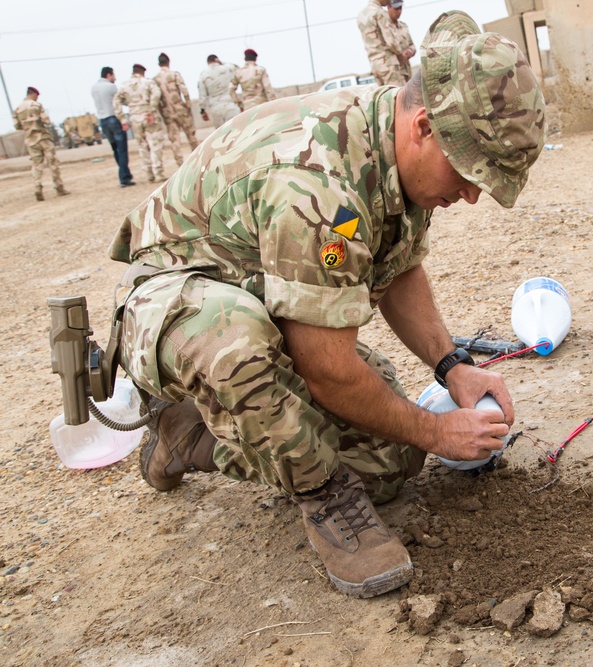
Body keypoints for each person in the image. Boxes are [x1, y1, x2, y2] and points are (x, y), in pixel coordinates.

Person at [109, 11, 545, 599]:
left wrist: (452, 367)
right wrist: (438, 432)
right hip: (178, 299)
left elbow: (403, 266)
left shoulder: (393, 150)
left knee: (391, 457)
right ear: (423, 127)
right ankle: (325, 503)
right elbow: (327, 369)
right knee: (241, 347)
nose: (470, 195)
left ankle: (189, 437)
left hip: (262, 295)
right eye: (469, 173)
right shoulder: (317, 182)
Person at [13, 86, 69, 201]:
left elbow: (17, 126)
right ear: (33, 94)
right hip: (43, 138)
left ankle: (37, 186)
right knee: (52, 162)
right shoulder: (36, 105)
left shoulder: (17, 109)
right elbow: (46, 121)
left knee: (37, 165)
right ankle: (59, 187)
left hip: (31, 140)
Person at [114, 64, 167, 182]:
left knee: (142, 146)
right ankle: (158, 173)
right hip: (149, 116)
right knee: (155, 145)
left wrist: (123, 119)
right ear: (143, 72)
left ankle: (149, 174)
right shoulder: (148, 82)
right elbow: (156, 94)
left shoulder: (124, 85)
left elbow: (116, 101)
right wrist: (151, 110)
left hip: (134, 118)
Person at [153, 53, 199, 165]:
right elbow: (184, 90)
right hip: (180, 110)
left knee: (175, 140)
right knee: (191, 136)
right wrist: (188, 105)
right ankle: (198, 160)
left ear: (159, 64)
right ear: (168, 62)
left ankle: (180, 164)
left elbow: (156, 99)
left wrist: (162, 113)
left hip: (168, 113)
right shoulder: (174, 75)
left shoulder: (155, 79)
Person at [91, 67, 134, 187]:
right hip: (113, 119)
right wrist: (124, 120)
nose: (115, 78)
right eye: (114, 75)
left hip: (102, 120)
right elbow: (120, 102)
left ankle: (124, 173)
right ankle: (124, 177)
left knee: (115, 149)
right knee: (122, 150)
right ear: (109, 75)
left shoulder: (93, 88)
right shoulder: (111, 87)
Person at [357, 0, 405, 86]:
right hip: (388, 63)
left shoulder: (361, 15)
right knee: (396, 95)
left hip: (375, 64)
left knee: (382, 96)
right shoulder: (380, 13)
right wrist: (400, 54)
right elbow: (391, 41)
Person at [197, 55, 241, 128]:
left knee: (221, 136)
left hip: (216, 108)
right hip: (231, 105)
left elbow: (202, 95)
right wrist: (221, 62)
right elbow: (237, 68)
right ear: (216, 60)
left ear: (208, 62)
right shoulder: (227, 68)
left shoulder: (203, 74)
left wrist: (202, 111)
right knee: (238, 130)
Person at [386, 0, 415, 82]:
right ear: (388, 7)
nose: (399, 11)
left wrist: (410, 51)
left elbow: (412, 45)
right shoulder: (385, 28)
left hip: (407, 72)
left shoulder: (404, 26)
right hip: (393, 74)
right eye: (396, 9)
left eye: (400, 8)